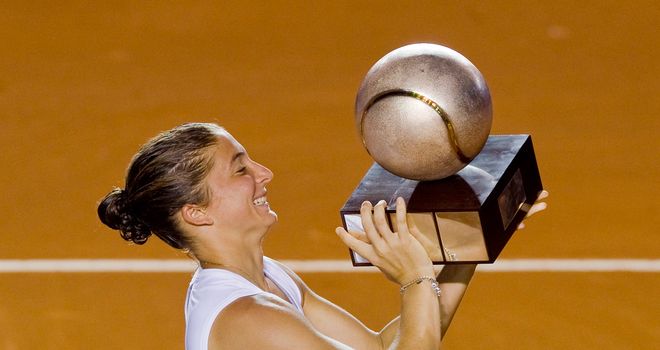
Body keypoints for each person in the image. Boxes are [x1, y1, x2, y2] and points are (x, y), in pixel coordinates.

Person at [98, 122, 547, 350]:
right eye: (240, 170)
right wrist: (414, 280)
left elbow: (382, 346)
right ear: (195, 213)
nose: (263, 174)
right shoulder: (248, 318)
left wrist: (466, 246)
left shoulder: (268, 279)